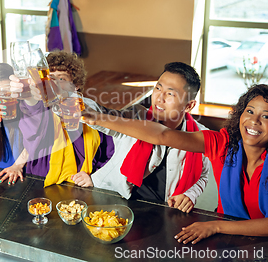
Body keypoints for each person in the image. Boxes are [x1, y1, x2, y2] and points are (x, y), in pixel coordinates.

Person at [82, 84, 268, 244]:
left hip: (262, 242)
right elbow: (161, 135)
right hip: (227, 241)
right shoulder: (222, 144)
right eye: (249, 111)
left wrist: (214, 226)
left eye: (266, 116)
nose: (253, 121)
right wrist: (95, 118)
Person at [72, 62, 211, 213]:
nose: (159, 97)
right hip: (122, 202)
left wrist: (190, 194)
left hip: (164, 210)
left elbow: (203, 174)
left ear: (189, 106)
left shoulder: (200, 136)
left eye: (170, 93)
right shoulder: (136, 116)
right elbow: (106, 116)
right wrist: (74, 101)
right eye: (158, 88)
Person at [0, 51, 115, 186]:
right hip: (42, 181)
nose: (54, 83)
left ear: (75, 85)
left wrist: (96, 177)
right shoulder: (41, 109)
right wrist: (17, 165)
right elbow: (33, 135)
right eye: (50, 78)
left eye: (61, 79)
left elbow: (109, 152)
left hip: (80, 184)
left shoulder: (90, 110)